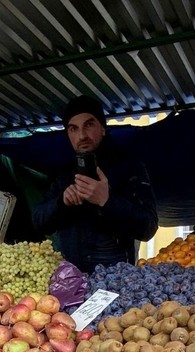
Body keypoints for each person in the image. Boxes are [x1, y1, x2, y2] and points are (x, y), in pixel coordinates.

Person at [32, 95, 158, 272]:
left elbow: (148, 228)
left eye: (89, 125)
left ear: (103, 128)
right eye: (73, 129)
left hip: (115, 279)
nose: (82, 135)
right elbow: (39, 221)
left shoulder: (129, 167)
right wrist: (61, 202)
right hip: (71, 278)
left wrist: (107, 200)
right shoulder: (64, 173)